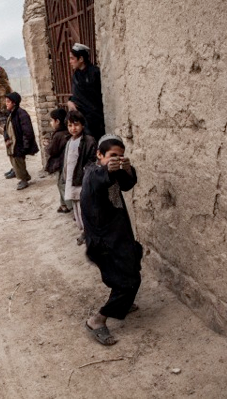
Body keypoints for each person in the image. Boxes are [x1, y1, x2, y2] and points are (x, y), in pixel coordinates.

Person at [80, 134, 142, 346]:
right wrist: (110, 169)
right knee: (129, 281)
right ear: (99, 155)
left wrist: (126, 169)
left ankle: (122, 302)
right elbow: (100, 178)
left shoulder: (110, 172)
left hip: (118, 235)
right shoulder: (93, 174)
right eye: (112, 156)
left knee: (134, 259)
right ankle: (97, 320)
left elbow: (126, 185)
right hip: (104, 241)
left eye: (121, 156)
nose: (116, 159)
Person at [62, 111, 96, 244]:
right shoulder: (69, 141)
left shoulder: (88, 140)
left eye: (76, 125)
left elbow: (92, 159)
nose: (73, 128)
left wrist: (85, 172)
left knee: (85, 206)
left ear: (82, 125)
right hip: (72, 179)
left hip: (82, 179)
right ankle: (83, 230)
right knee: (76, 205)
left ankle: (89, 232)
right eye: (70, 125)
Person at [67, 43, 106, 142]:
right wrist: (70, 101)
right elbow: (77, 94)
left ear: (81, 59)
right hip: (82, 118)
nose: (70, 61)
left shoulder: (95, 73)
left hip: (95, 119)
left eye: (72, 58)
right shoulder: (76, 75)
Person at [3, 92, 39, 190]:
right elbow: (6, 128)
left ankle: (24, 180)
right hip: (12, 143)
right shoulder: (11, 113)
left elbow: (27, 131)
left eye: (8, 102)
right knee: (14, 160)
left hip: (19, 143)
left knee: (19, 161)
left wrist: (25, 145)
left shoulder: (21, 113)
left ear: (14, 103)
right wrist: (6, 138)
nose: (6, 103)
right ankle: (24, 176)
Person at [43, 108, 72, 213]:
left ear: (57, 121)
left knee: (62, 184)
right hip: (66, 163)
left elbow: (53, 151)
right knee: (61, 183)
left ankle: (70, 206)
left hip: (62, 163)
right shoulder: (66, 132)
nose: (51, 123)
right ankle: (63, 205)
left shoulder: (59, 135)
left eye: (51, 120)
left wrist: (47, 146)